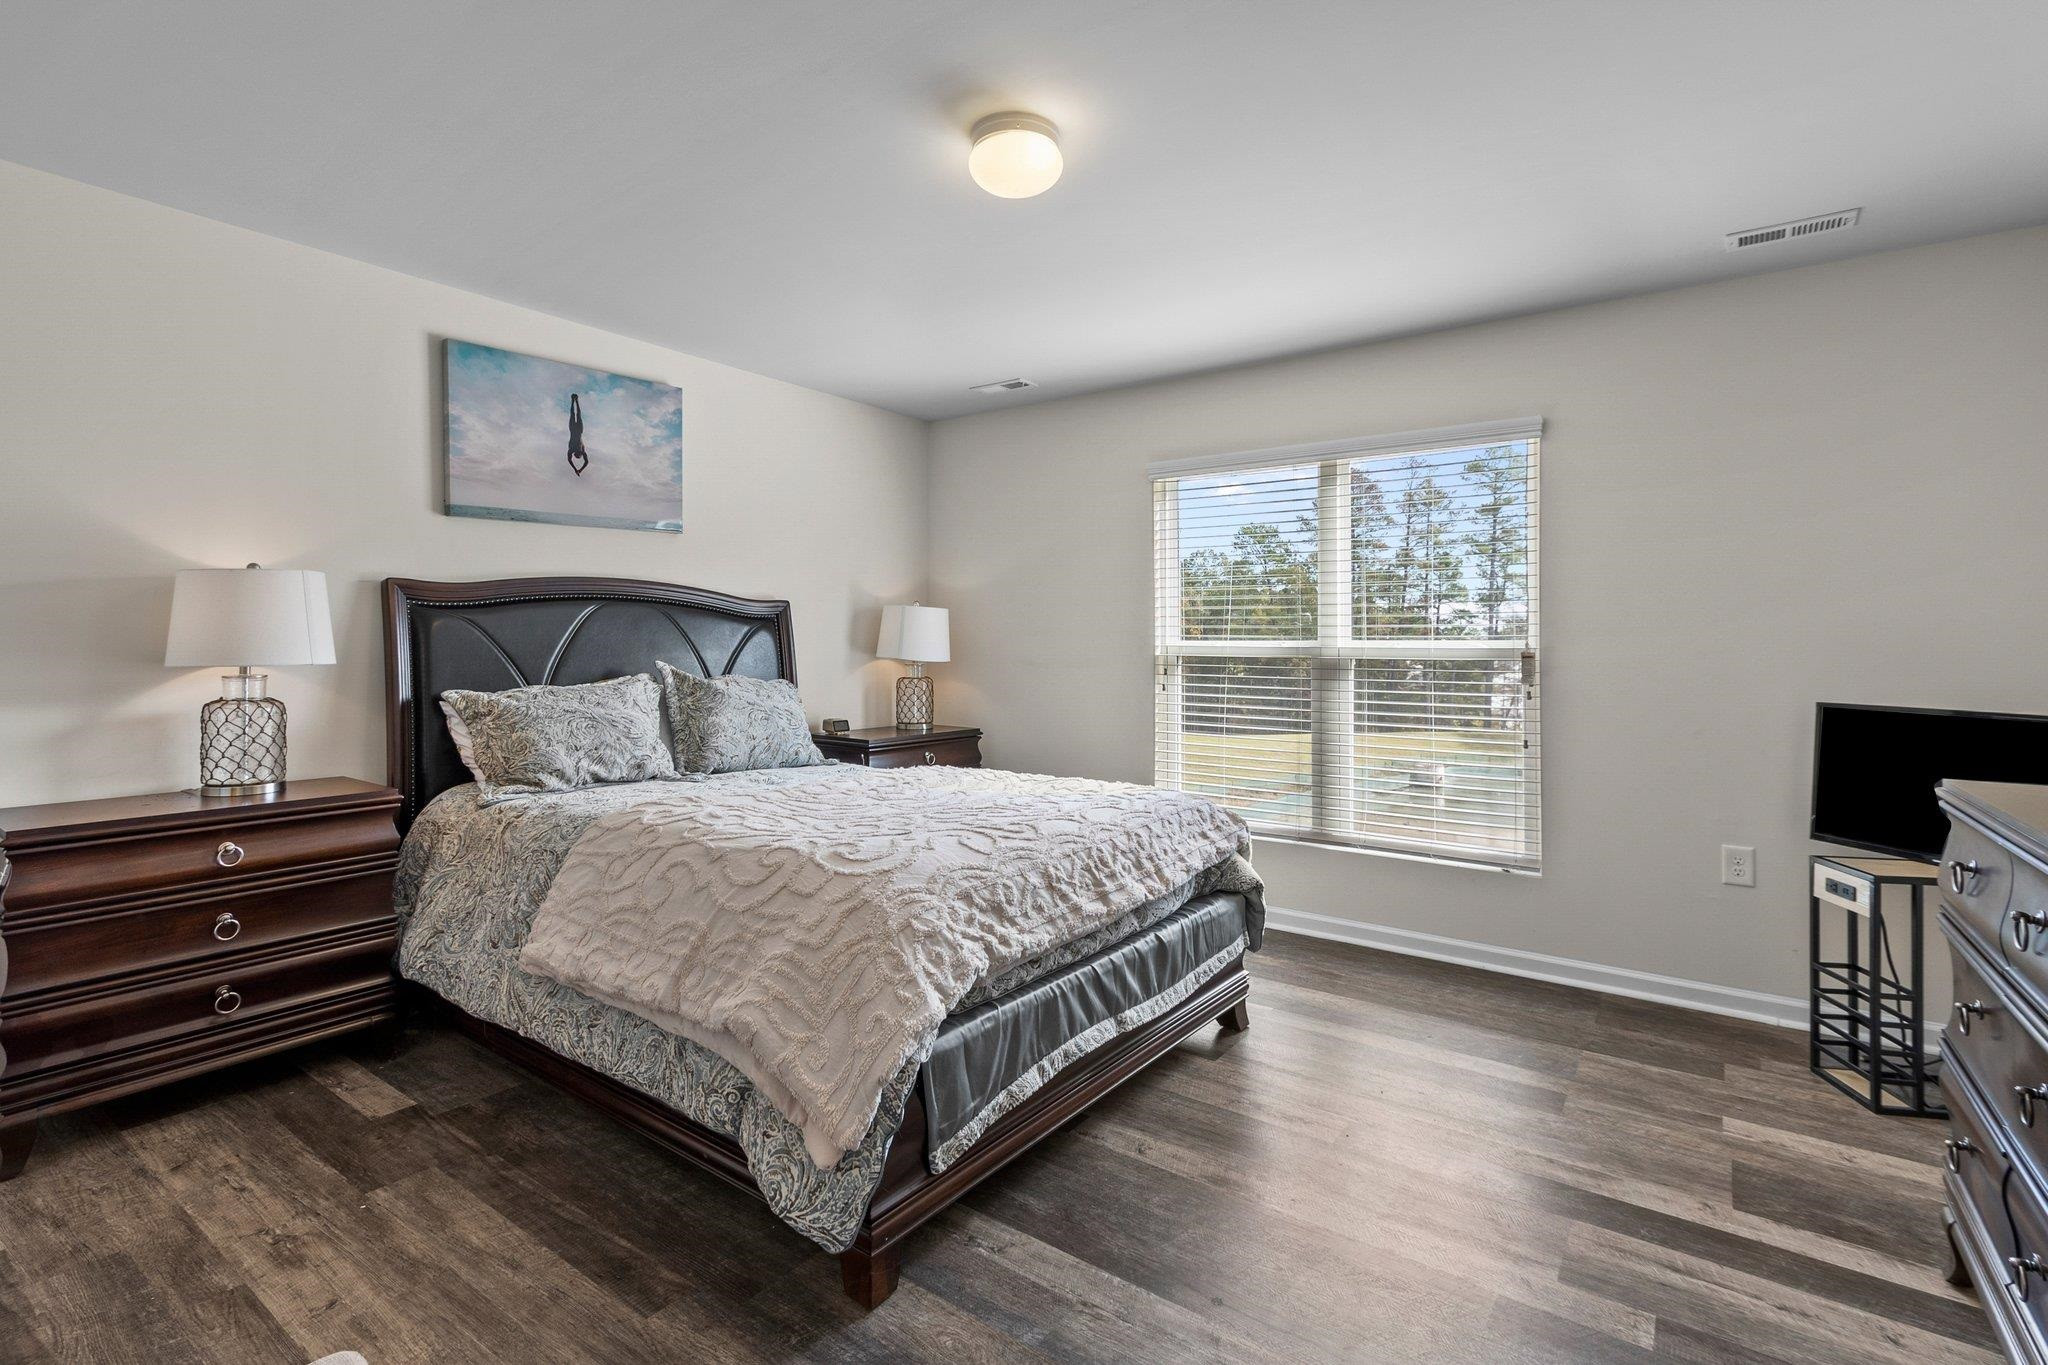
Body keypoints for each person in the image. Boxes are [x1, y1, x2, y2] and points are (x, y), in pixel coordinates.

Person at [566, 393, 589, 476]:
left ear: (575, 453)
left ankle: (573, 401)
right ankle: (576, 401)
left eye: (578, 454)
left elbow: (569, 460)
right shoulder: (582, 451)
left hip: (573, 429)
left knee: (573, 414)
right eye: (580, 454)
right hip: (579, 430)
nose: (579, 453)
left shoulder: (571, 449)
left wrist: (576, 469)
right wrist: (579, 470)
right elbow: (586, 462)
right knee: (578, 415)